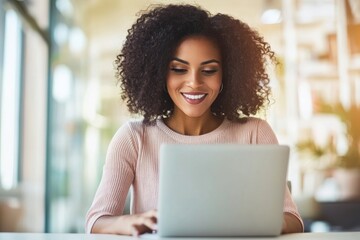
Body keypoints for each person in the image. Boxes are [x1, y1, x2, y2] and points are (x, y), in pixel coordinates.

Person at [86, 4, 304, 236]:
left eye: (209, 70)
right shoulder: (133, 137)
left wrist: (250, 222)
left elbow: (293, 219)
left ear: (227, 75)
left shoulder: (255, 133)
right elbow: (97, 220)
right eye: (179, 69)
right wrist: (131, 222)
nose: (194, 82)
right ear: (159, 73)